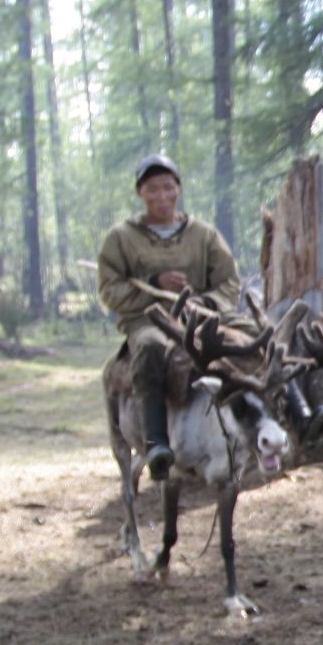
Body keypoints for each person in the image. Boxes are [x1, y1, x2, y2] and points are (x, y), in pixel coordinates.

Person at [97, 154, 246, 480]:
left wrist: (206, 301)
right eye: (152, 189)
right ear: (140, 194)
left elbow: (229, 283)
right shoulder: (122, 238)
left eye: (168, 187)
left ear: (178, 188)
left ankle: (295, 414)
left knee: (255, 337)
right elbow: (109, 290)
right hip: (148, 321)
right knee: (150, 349)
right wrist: (154, 284)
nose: (161, 196)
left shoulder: (204, 235)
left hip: (202, 316)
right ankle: (157, 444)